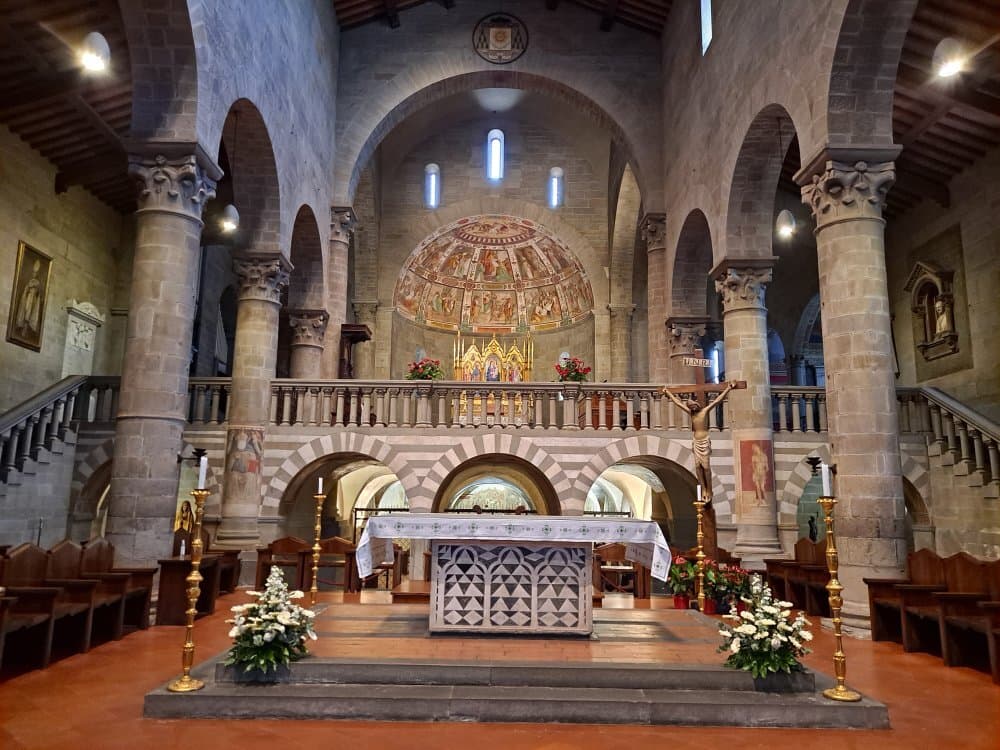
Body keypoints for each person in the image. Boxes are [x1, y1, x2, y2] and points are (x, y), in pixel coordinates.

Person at [661, 381, 740, 499]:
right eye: (690, 407)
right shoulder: (691, 414)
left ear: (697, 405)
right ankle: (703, 488)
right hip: (696, 442)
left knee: (706, 467)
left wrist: (728, 389)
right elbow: (678, 403)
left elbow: (717, 401)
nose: (692, 408)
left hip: (704, 441)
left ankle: (709, 489)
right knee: (698, 467)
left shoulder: (704, 411)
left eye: (693, 406)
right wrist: (668, 393)